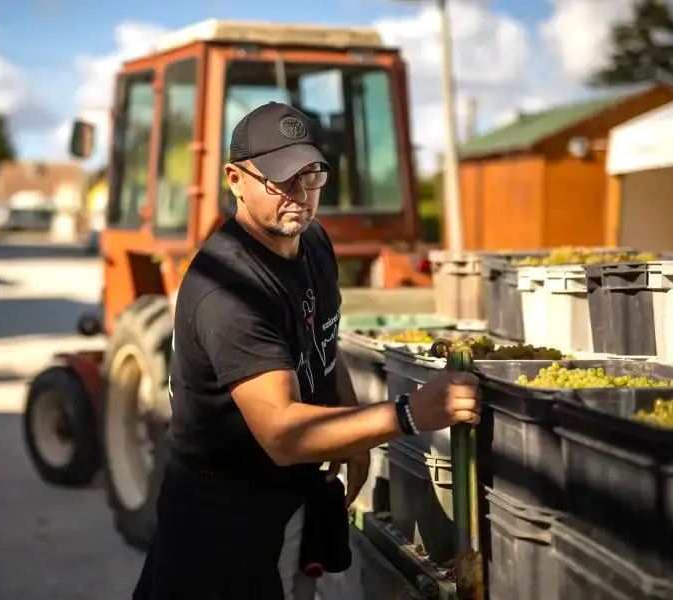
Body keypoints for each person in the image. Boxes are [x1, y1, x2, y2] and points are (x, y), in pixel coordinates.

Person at [132, 102, 481, 600]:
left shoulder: (312, 241)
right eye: (280, 180)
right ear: (235, 179)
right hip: (221, 520)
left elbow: (322, 343)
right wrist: (409, 413)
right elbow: (282, 433)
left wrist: (351, 433)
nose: (299, 195)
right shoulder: (227, 290)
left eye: (311, 175)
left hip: (289, 493)